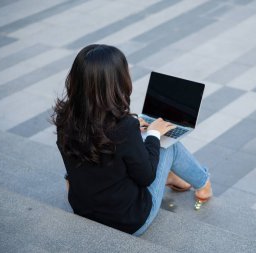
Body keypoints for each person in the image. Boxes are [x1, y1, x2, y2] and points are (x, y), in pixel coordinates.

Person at [52, 44, 212, 236]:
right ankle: (204, 185)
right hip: (129, 221)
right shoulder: (123, 127)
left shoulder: (65, 118)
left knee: (137, 147)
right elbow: (145, 177)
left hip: (83, 209)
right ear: (116, 83)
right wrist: (153, 134)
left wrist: (135, 125)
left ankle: (171, 177)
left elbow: (100, 149)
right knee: (168, 147)